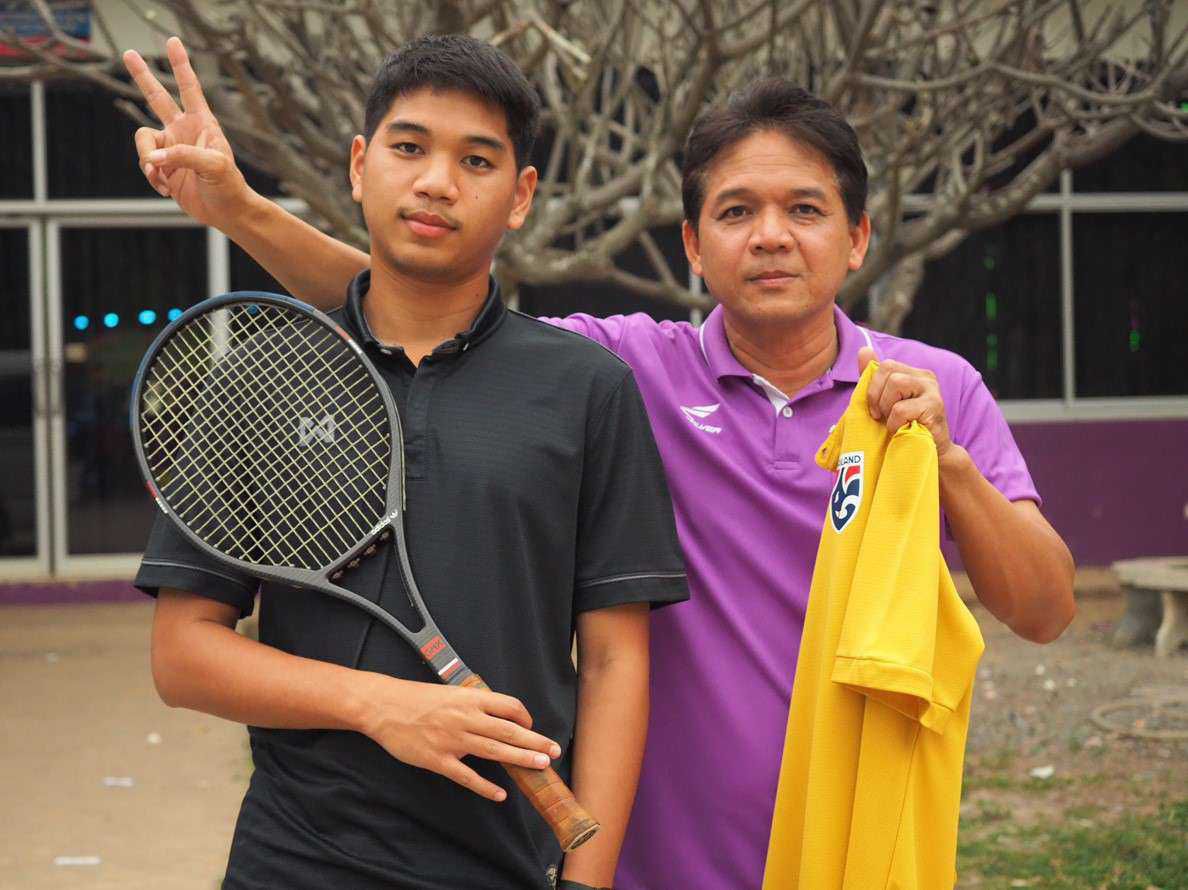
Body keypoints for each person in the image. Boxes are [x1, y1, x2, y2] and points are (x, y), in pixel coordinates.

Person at [127, 38, 1076, 889]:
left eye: (806, 209)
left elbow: (1044, 609)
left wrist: (950, 464)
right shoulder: (625, 370)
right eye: (736, 211)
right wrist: (240, 210)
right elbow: (414, 302)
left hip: (856, 845)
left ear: (858, 236)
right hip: (657, 860)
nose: (772, 236)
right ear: (693, 246)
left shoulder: (932, 391)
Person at [128, 35, 687, 890]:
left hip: (505, 864)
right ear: (360, 166)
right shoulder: (261, 376)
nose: (436, 182)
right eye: (409, 147)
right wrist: (380, 706)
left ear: (521, 196)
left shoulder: (586, 388)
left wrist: (586, 880)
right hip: (291, 863)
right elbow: (183, 655)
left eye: (477, 160)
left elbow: (615, 663)